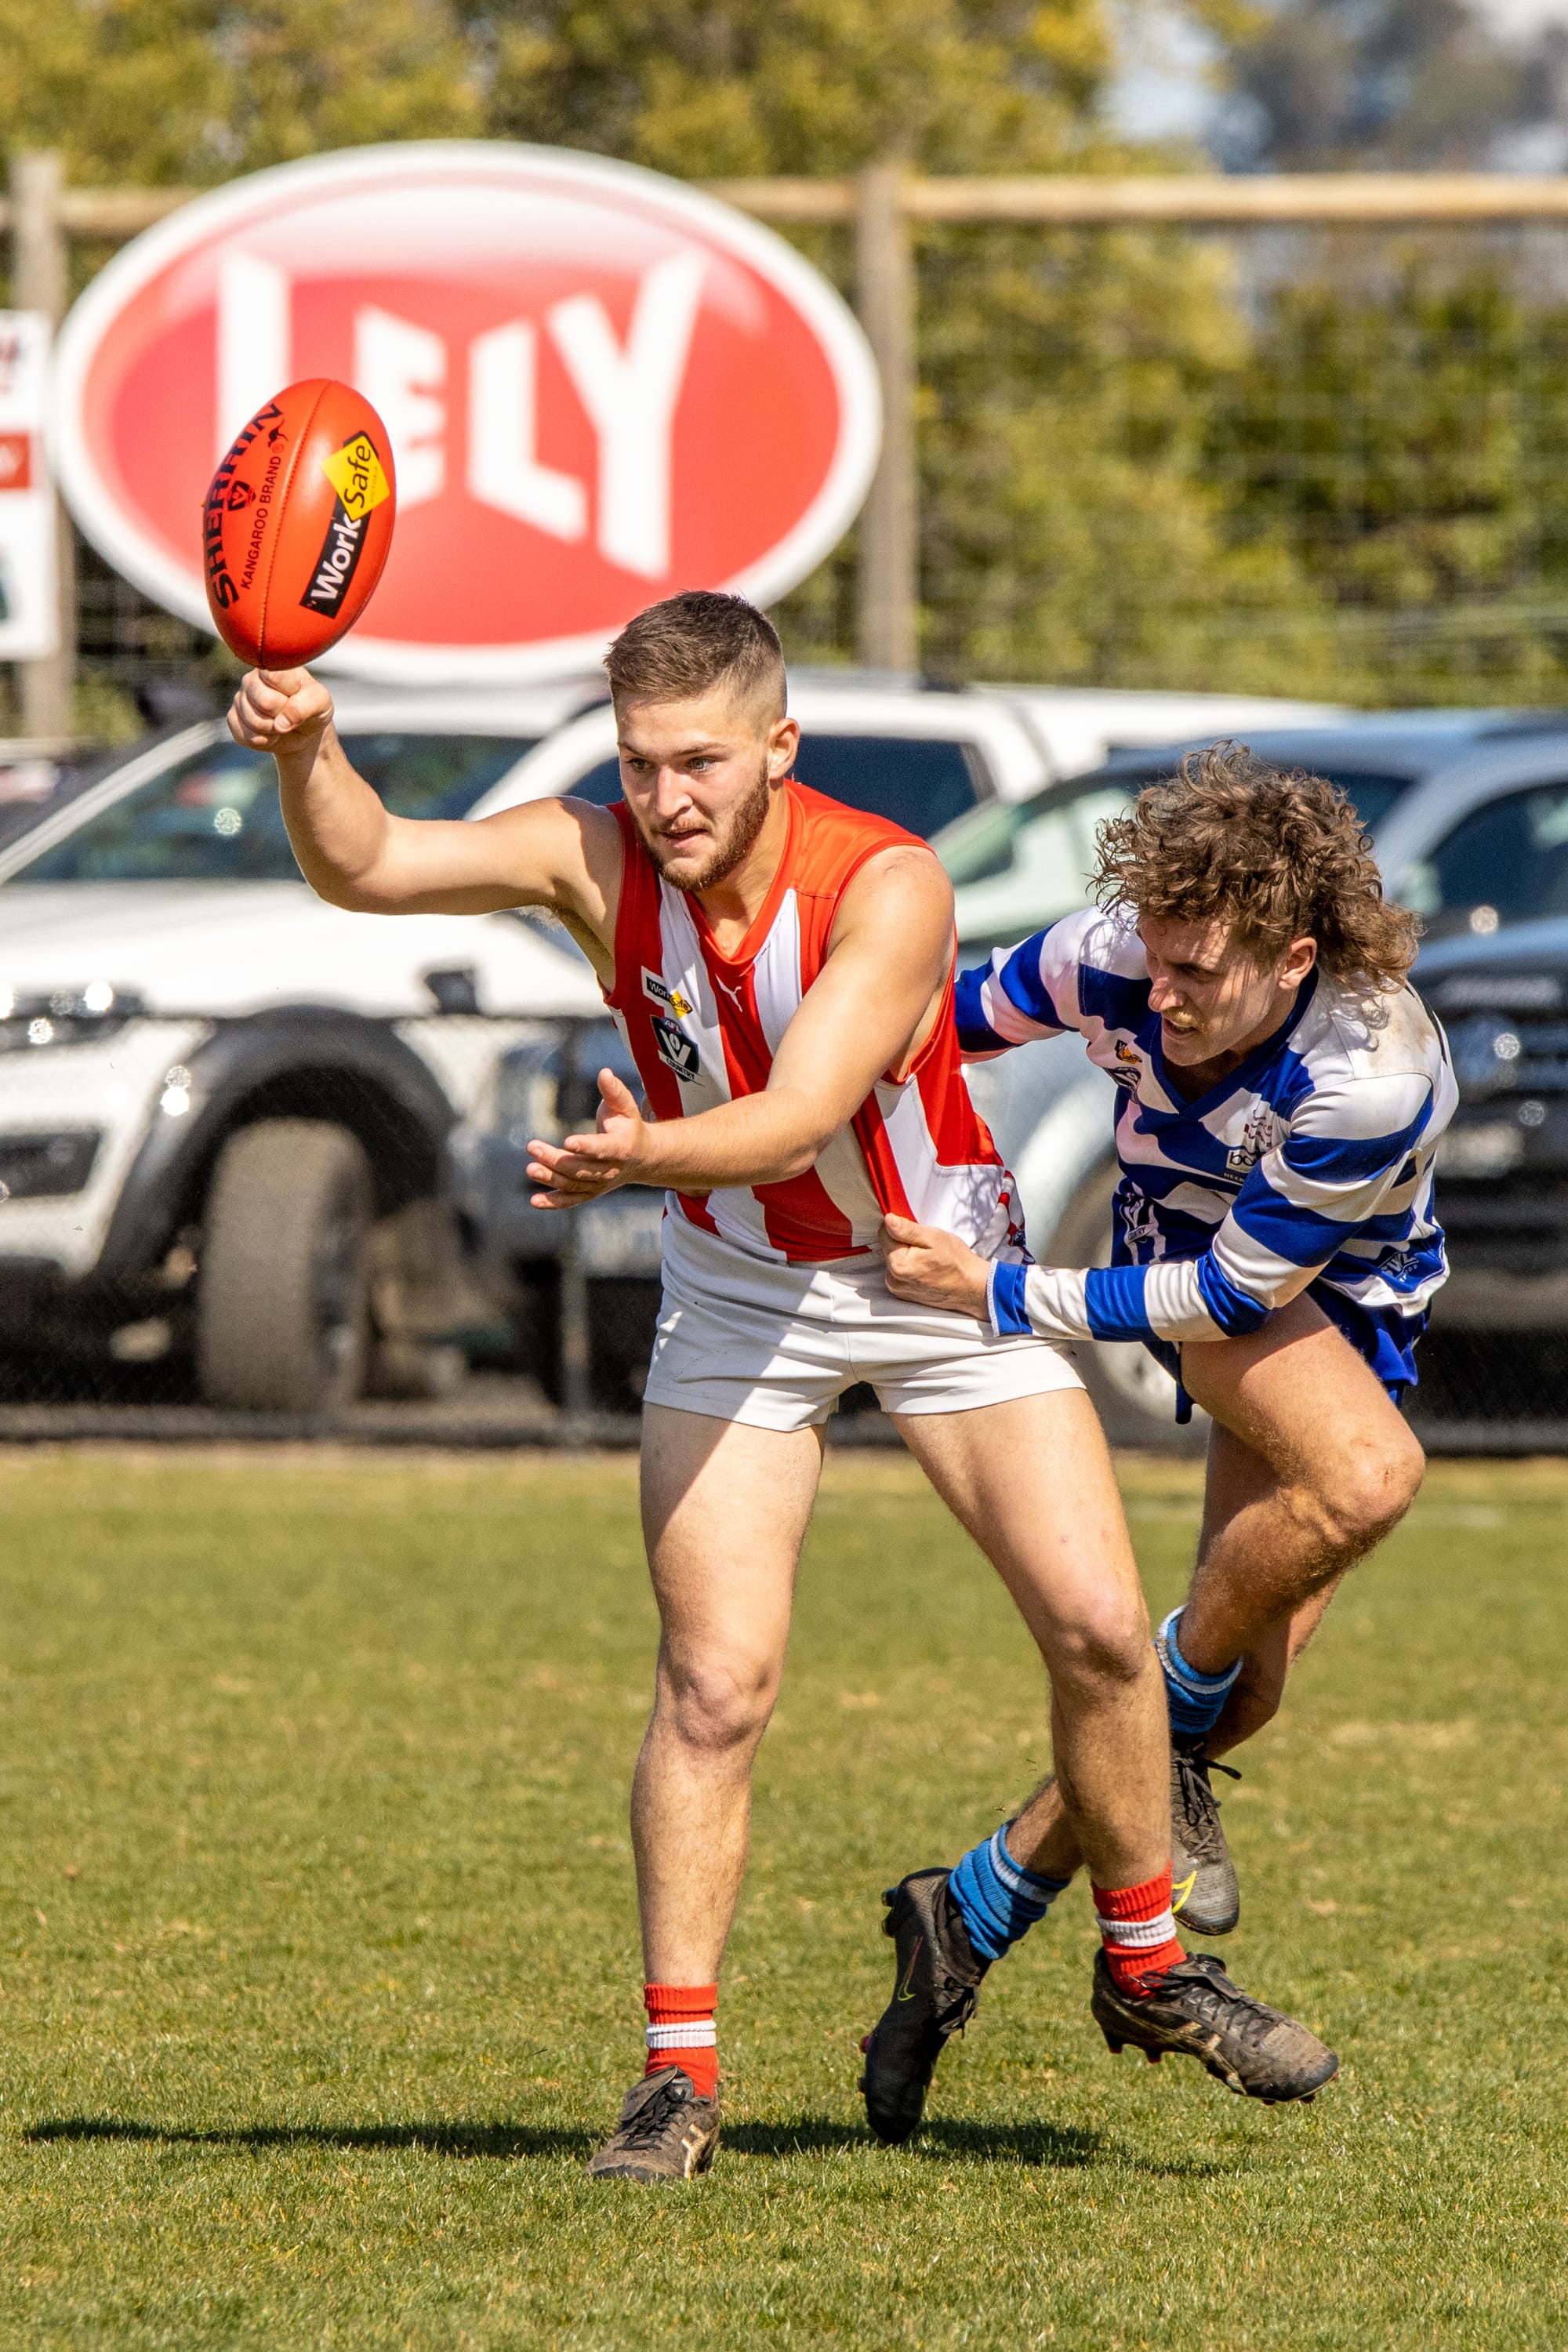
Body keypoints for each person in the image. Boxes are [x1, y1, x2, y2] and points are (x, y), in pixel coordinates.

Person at [228, 597, 1334, 2183]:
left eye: (699, 762)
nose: (665, 797)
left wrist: (641, 1156)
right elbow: (370, 865)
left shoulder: (887, 883)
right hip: (740, 1293)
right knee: (714, 1685)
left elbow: (801, 1110)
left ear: (778, 748)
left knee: (1102, 1630)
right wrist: (309, 747)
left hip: (933, 1270)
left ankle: (1148, 1971)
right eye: (640, 762)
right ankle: (676, 2078)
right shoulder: (592, 854)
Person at [874, 746, 1454, 2041]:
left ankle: (966, 1911)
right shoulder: (1112, 956)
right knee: (1370, 1479)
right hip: (1189, 1261)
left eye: (1200, 973)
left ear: (1295, 960)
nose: (1165, 992)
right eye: (1159, 958)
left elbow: (1242, 1295)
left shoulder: (1371, 1068)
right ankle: (1155, 1806)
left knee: (1238, 1695)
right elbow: (914, 1025)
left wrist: (1000, 1290)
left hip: (1323, 1294)